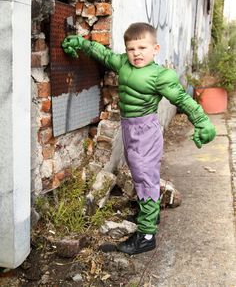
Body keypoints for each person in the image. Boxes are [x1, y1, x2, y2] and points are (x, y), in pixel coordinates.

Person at [62, 22, 216, 255]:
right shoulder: (123, 63)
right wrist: (82, 43)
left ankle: (146, 236)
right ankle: (149, 215)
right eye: (132, 48)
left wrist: (202, 121)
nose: (137, 53)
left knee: (145, 178)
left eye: (143, 48)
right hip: (129, 129)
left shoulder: (160, 75)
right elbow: (103, 54)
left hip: (146, 131)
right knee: (139, 174)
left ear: (155, 49)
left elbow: (182, 99)